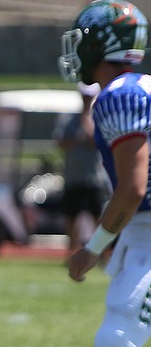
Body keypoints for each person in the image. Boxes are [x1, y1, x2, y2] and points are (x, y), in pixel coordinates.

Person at [60, 0, 151, 347]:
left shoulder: (121, 93)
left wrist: (91, 247)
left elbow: (133, 188)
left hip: (147, 229)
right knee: (125, 343)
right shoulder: (131, 90)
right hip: (142, 231)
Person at [54, 82, 110, 256]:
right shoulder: (67, 118)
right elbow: (61, 142)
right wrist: (78, 140)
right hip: (72, 176)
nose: (86, 99)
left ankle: (102, 254)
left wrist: (86, 118)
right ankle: (71, 252)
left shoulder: (98, 116)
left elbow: (95, 141)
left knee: (98, 217)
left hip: (94, 177)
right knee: (71, 217)